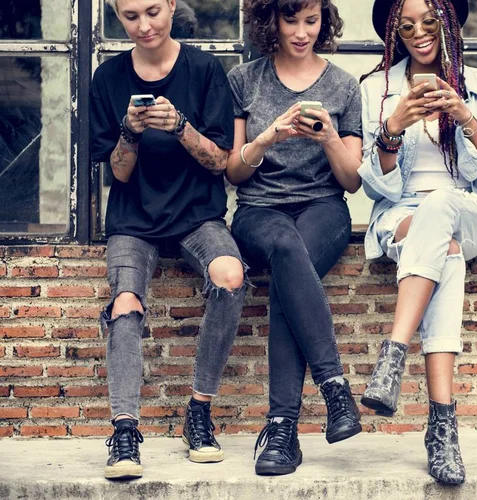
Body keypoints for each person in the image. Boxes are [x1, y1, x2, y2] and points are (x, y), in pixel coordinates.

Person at [358, 0, 477, 485]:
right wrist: (392, 129)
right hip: (403, 215)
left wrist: (466, 119)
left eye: (429, 22)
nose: (419, 33)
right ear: (394, 30)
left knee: (443, 206)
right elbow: (374, 186)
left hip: (468, 208)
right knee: (442, 246)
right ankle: (442, 429)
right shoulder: (377, 88)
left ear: (448, 23)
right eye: (406, 26)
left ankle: (393, 352)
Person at [91, 0, 247, 479]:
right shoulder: (109, 78)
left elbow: (221, 161)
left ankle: (198, 413)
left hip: (197, 215)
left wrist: (179, 126)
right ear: (119, 16)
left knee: (231, 275)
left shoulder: (203, 69)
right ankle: (124, 433)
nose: (145, 25)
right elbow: (117, 173)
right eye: (131, 16)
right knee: (125, 304)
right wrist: (130, 133)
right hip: (132, 220)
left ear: (172, 6)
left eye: (153, 11)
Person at [226, 0, 363, 477]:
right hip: (259, 212)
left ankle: (281, 428)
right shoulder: (245, 79)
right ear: (271, 21)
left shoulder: (344, 85)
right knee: (287, 249)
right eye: (291, 20)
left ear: (324, 21)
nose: (302, 32)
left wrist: (328, 137)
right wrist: (268, 137)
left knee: (292, 264)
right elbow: (235, 172)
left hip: (324, 209)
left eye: (311, 20)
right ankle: (334, 389)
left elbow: (351, 180)